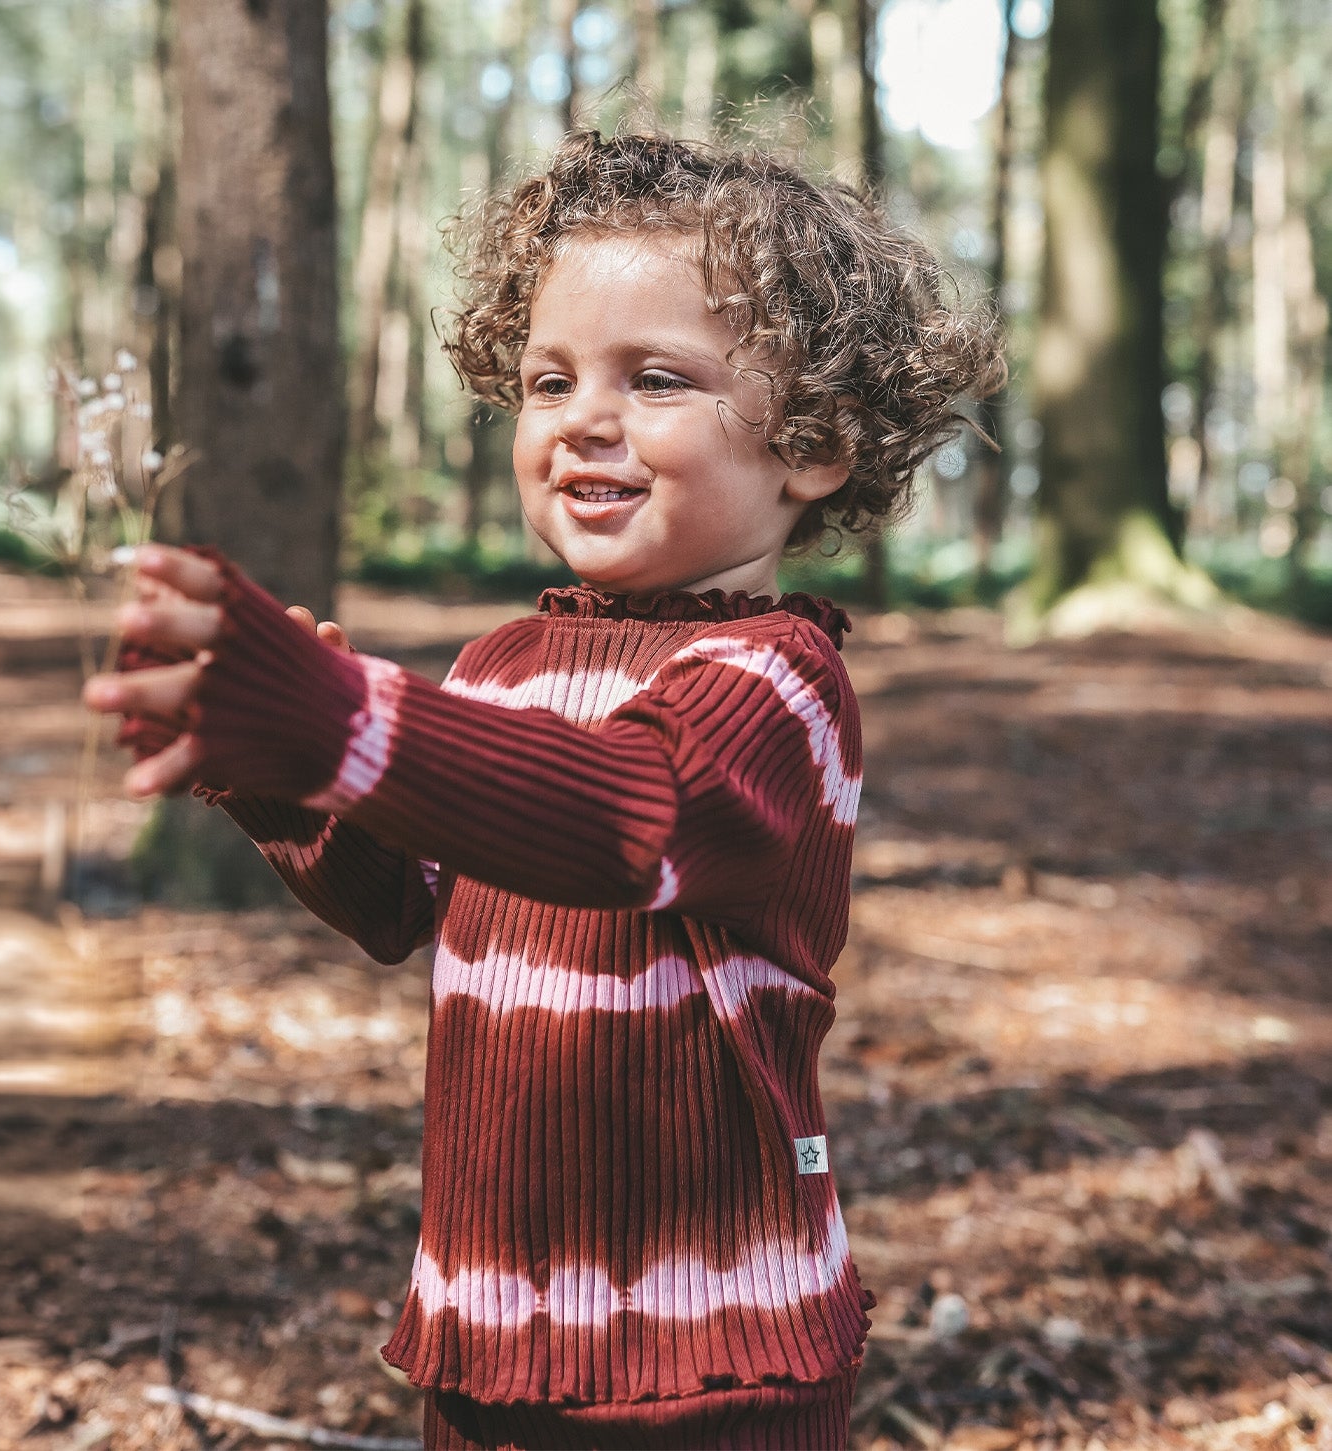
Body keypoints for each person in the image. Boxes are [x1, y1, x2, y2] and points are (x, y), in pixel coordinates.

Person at [84, 129, 1003, 1450]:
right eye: (551, 378)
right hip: (491, 1321)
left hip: (713, 1353)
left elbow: (630, 818)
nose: (585, 419)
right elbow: (405, 907)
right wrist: (282, 781)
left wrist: (347, 718)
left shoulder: (779, 681)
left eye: (659, 379)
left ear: (814, 445)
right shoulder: (500, 664)